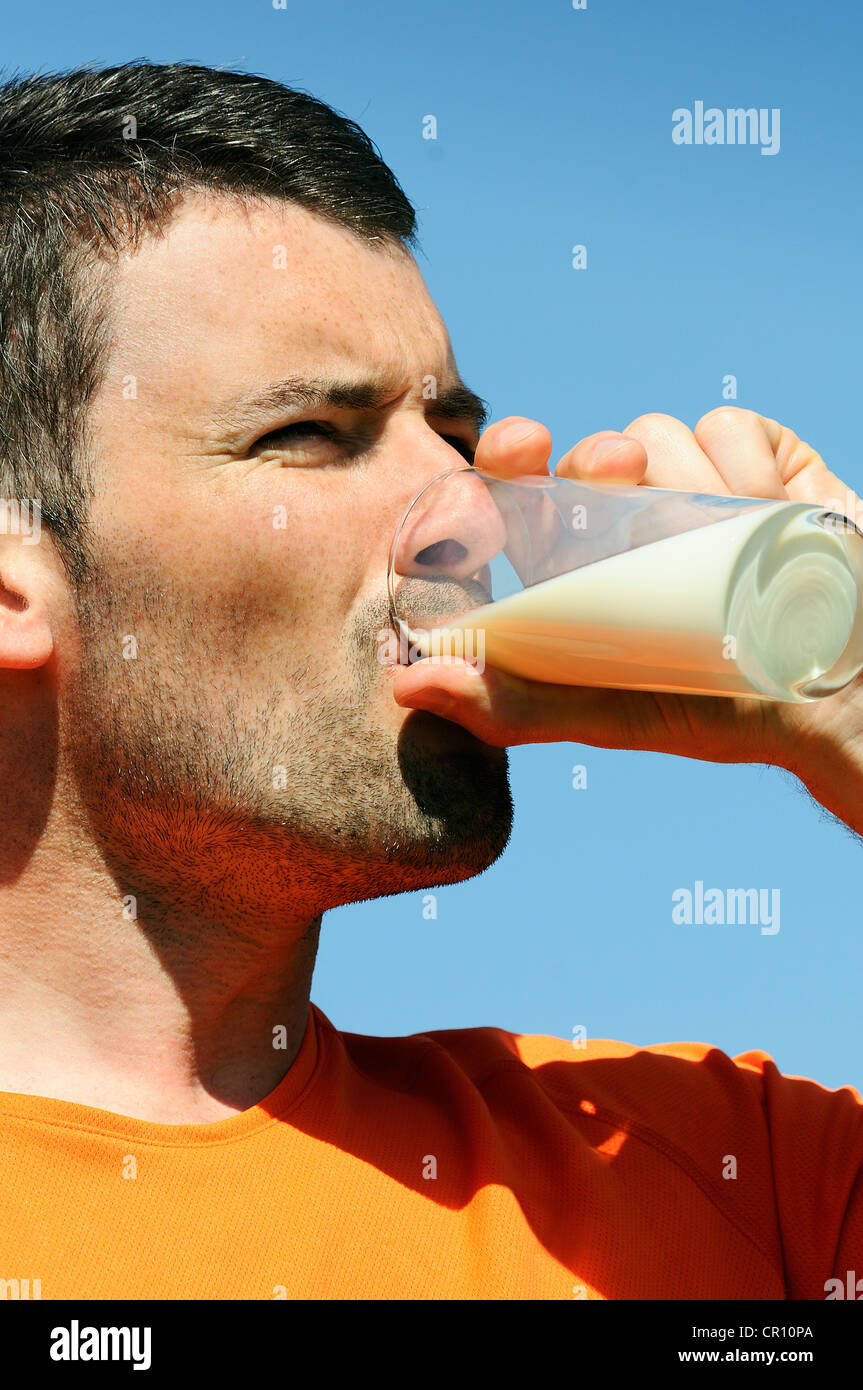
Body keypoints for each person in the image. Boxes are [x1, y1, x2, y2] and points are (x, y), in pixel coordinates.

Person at [0, 60, 860, 1302]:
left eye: (452, 435)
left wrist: (843, 691)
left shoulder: (739, 1188)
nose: (466, 506)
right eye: (307, 434)